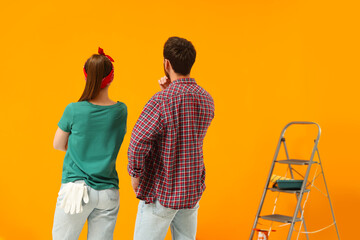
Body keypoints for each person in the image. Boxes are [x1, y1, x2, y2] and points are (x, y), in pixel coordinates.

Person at [128, 37, 215, 240]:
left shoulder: (162, 100)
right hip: (191, 190)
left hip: (163, 191)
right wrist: (168, 93)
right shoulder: (206, 98)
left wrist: (135, 174)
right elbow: (185, 134)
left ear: (167, 63)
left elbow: (138, 141)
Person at [52, 48, 127, 240]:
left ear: (86, 77)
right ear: (111, 78)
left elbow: (58, 144)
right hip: (108, 192)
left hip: (76, 191)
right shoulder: (121, 111)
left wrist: (79, 150)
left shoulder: (73, 110)